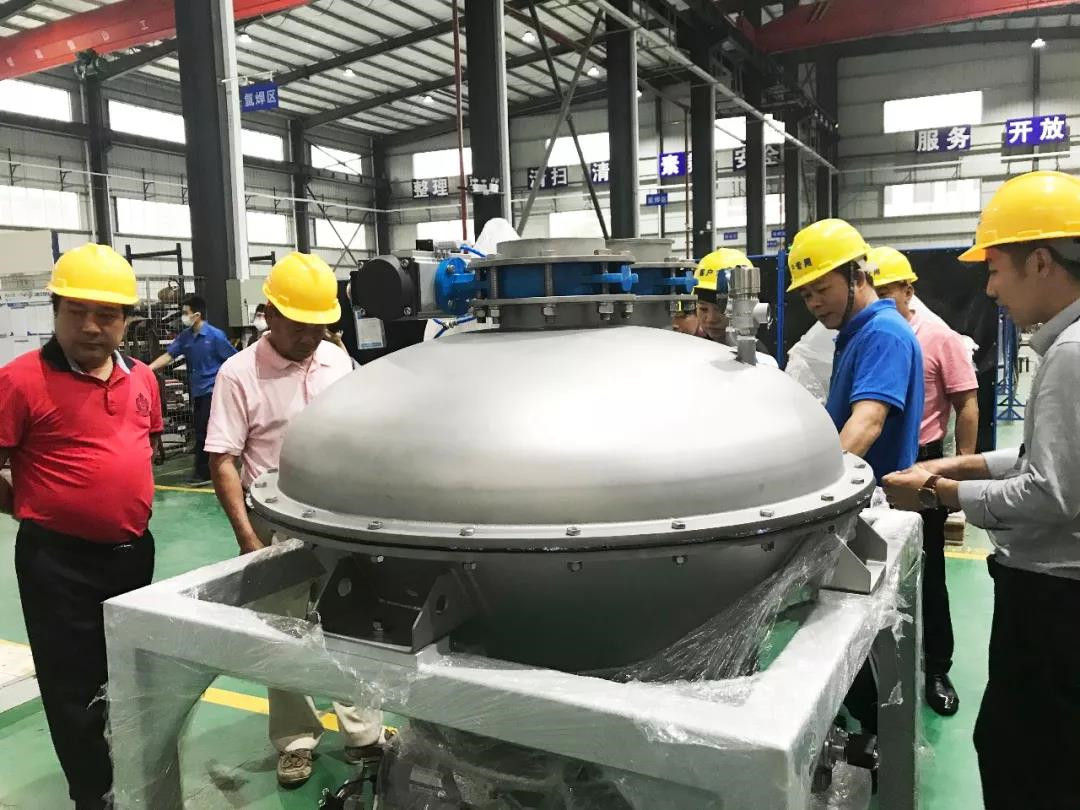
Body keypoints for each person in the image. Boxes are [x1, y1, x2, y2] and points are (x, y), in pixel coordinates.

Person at [882, 170, 1080, 809]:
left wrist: (938, 495)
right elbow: (1036, 456)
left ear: (1041, 262)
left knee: (1022, 757)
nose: (990, 288)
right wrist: (954, 468)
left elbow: (1051, 494)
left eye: (996, 270)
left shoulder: (1071, 353)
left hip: (1054, 601)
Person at [203, 252, 387, 789]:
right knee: (282, 634)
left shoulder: (336, 361)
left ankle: (364, 734)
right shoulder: (240, 374)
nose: (311, 336)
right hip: (275, 524)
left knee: (352, 627)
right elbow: (223, 459)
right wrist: (248, 539)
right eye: (299, 325)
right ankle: (295, 740)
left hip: (339, 520)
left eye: (320, 325)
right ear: (268, 314)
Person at [0, 244, 162, 810]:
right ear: (56, 311)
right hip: (58, 564)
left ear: (126, 320)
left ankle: (134, 779)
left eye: (107, 314)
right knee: (72, 687)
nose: (92, 326)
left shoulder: (142, 380)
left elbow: (144, 446)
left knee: (132, 676)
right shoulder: (19, 381)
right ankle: (94, 796)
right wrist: (32, 505)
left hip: (133, 554)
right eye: (77, 312)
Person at [788, 219, 923, 740]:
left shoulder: (883, 335)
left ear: (856, 274)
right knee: (851, 640)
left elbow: (866, 423)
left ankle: (874, 742)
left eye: (821, 289)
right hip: (857, 504)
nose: (814, 303)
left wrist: (816, 497)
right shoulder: (856, 333)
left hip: (868, 508)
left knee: (861, 640)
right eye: (806, 295)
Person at [870, 246, 978, 717]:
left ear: (908, 289)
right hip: (877, 470)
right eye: (871, 291)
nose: (878, 300)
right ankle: (876, 674)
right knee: (873, 571)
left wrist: (963, 469)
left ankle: (936, 667)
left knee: (928, 568)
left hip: (922, 465)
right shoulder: (869, 337)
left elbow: (966, 403)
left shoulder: (938, 337)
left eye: (887, 292)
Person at [149, 293, 235, 485]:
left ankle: (204, 473)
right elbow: (169, 356)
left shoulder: (215, 336)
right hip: (197, 392)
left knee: (204, 431)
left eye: (185, 313)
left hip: (214, 391)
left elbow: (234, 360)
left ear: (197, 315)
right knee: (201, 430)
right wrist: (147, 369)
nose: (183, 316)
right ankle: (208, 470)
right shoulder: (186, 337)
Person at [690, 249, 777, 366]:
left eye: (721, 308)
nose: (711, 319)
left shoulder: (758, 358)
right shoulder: (695, 348)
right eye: (703, 309)